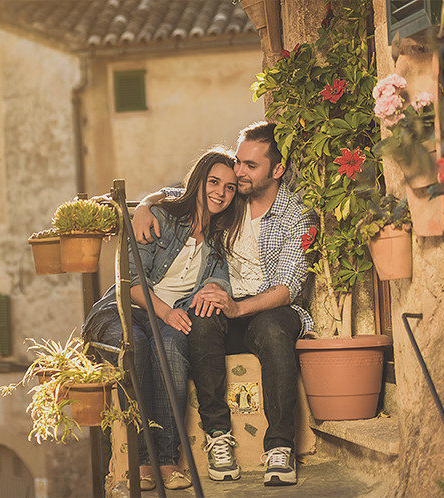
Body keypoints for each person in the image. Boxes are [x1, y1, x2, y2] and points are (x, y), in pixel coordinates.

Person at [132, 121, 318, 486]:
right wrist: (145, 204)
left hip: (271, 308)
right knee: (201, 316)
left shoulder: (298, 214)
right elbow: (187, 192)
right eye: (239, 161)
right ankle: (219, 437)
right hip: (227, 308)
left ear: (277, 170)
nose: (238, 171)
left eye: (251, 165)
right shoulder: (231, 200)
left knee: (273, 328)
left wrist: (237, 308)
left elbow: (288, 287)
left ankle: (280, 447)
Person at [83, 149, 244, 492]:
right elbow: (131, 281)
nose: (221, 192)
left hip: (169, 320)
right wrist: (145, 204)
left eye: (230, 188)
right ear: (198, 181)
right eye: (214, 182)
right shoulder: (161, 217)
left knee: (172, 350)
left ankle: (168, 459)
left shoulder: (220, 239)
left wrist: (214, 287)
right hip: (123, 310)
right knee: (136, 347)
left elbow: (221, 277)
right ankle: (142, 461)